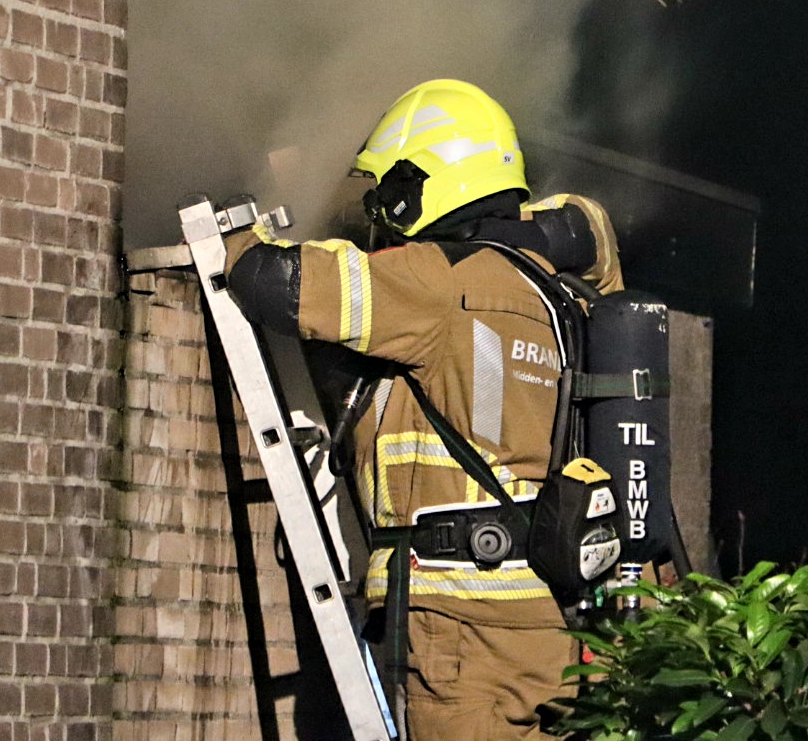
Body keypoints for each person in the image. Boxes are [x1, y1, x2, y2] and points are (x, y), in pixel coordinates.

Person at [222, 78, 624, 740]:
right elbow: (594, 230)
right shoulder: (560, 295)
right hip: (553, 620)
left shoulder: (434, 280)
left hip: (458, 624)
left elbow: (272, 280)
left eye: (390, 190)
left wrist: (236, 219)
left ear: (424, 182)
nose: (382, 211)